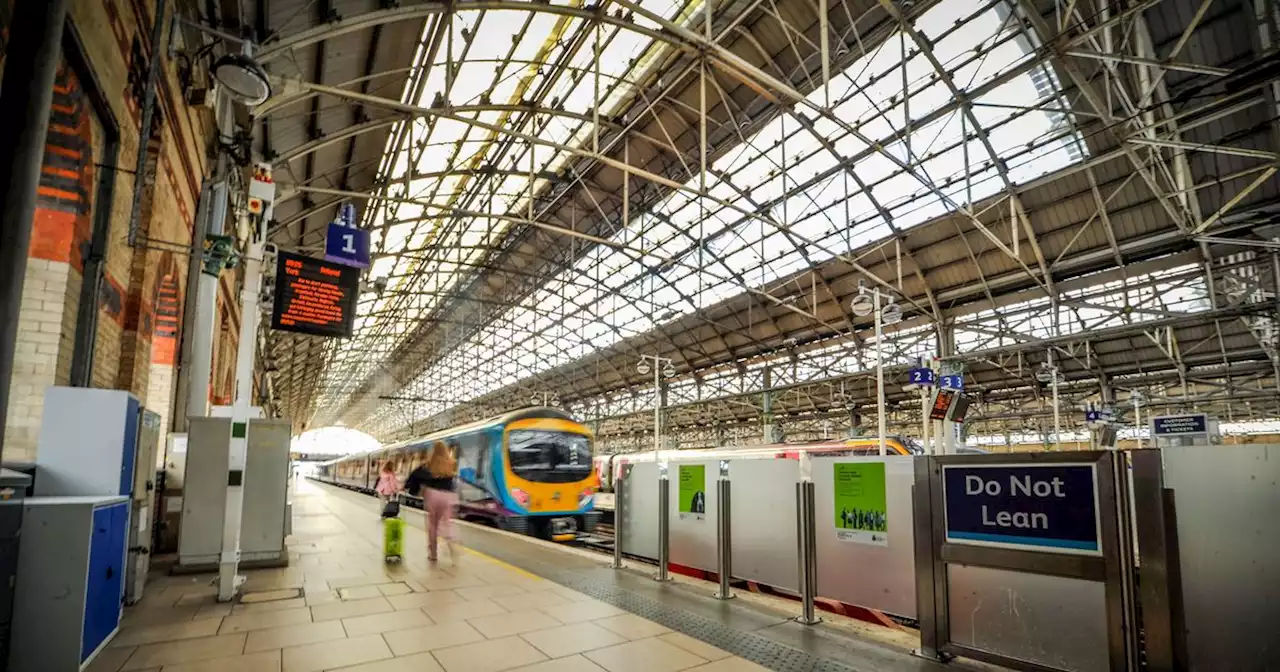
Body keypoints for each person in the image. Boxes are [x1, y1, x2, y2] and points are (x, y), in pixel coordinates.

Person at [405, 441, 459, 563]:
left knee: (432, 526)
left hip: (433, 495)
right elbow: (453, 481)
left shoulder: (428, 464)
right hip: (449, 496)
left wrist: (412, 489)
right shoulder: (451, 463)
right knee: (447, 523)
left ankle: (433, 554)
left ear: (432, 451)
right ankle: (451, 544)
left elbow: (413, 477)